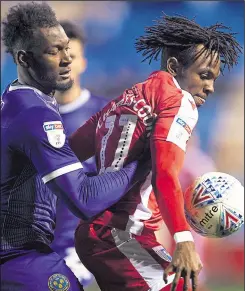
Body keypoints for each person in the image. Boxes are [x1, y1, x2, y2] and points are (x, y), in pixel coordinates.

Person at [70, 14, 242, 291]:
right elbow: (165, 174)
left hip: (100, 232)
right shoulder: (178, 100)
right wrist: (183, 239)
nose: (210, 87)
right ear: (174, 67)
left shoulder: (126, 98)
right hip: (122, 234)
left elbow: (70, 152)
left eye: (214, 79)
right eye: (204, 75)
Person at [0, 3, 150, 291]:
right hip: (20, 258)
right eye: (52, 51)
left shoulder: (14, 101)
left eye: (66, 48)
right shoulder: (35, 114)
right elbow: (83, 198)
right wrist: (144, 163)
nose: (66, 59)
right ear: (24, 59)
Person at [52, 21, 108, 286]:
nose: (64, 64)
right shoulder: (18, 116)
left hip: (75, 248)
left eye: (70, 56)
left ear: (83, 62)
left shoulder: (108, 119)